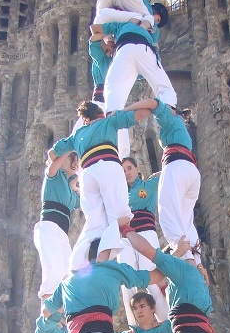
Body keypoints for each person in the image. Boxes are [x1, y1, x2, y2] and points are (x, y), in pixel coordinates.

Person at [50, 100, 156, 265]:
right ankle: (108, 259)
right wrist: (123, 111)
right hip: (108, 166)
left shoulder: (77, 134)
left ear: (85, 119)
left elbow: (52, 154)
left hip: (87, 175)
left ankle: (78, 264)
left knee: (94, 223)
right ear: (100, 114)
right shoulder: (109, 122)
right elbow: (144, 112)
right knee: (120, 219)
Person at [92, 4, 175, 158]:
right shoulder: (149, 26)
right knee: (163, 85)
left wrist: (107, 40)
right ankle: (170, 109)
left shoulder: (122, 25)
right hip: (144, 48)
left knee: (113, 89)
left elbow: (94, 29)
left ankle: (112, 118)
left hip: (124, 49)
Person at [118, 157, 167, 323]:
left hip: (146, 233)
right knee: (125, 280)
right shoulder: (120, 193)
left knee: (151, 279)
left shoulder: (148, 185)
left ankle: (166, 320)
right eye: (123, 171)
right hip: (126, 237)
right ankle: (134, 326)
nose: (126, 173)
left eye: (129, 168)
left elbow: (168, 171)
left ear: (137, 169)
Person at [153, 99, 202, 263]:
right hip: (191, 171)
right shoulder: (181, 127)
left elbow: (157, 107)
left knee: (168, 213)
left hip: (175, 166)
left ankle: (185, 256)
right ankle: (198, 260)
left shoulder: (171, 120)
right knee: (185, 219)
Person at [33, 149, 80, 303]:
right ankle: (46, 305)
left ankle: (61, 310)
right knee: (55, 268)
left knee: (68, 272)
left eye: (76, 160)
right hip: (48, 227)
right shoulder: (53, 176)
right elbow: (54, 161)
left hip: (61, 233)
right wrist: (70, 149)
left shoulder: (70, 192)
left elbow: (85, 199)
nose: (74, 162)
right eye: (71, 159)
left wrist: (74, 183)